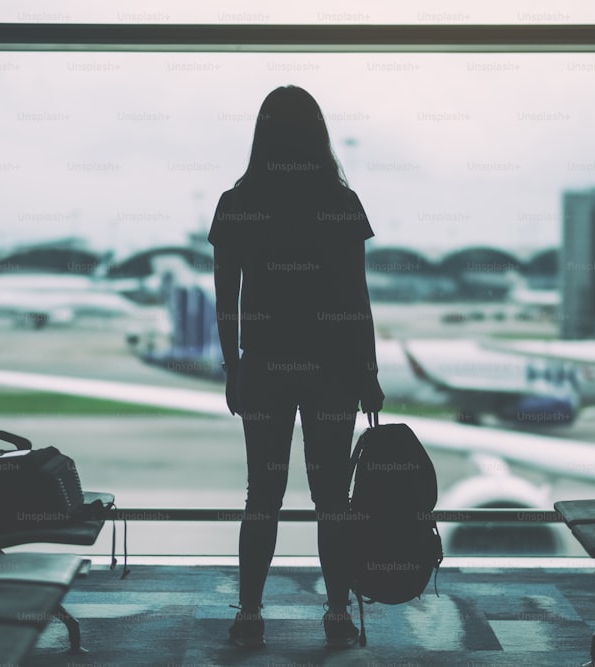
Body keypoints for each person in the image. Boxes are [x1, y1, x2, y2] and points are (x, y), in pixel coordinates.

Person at [208, 85, 384, 650]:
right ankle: (336, 614)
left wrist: (233, 366)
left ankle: (251, 613)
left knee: (262, 496)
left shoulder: (236, 203)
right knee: (332, 497)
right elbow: (357, 297)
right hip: (332, 365)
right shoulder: (340, 202)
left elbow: (225, 296)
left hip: (263, 364)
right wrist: (369, 370)